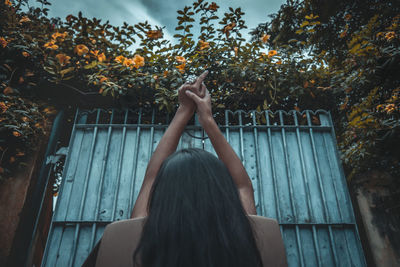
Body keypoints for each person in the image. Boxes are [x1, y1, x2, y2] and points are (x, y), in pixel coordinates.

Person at [82, 70, 287, 267]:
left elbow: (152, 177)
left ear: (161, 192)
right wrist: (207, 119)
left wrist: (184, 110)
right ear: (224, 190)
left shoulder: (129, 235)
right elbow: (242, 185)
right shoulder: (256, 234)